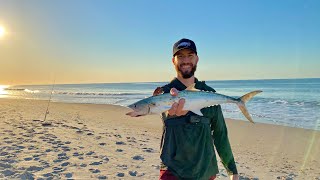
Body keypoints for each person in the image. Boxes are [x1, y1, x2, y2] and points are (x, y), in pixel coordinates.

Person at [153, 38, 239, 180]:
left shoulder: (209, 93)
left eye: (190, 55)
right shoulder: (164, 92)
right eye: (180, 56)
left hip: (206, 171)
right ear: (173, 61)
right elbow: (164, 113)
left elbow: (220, 133)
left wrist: (232, 170)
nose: (186, 60)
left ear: (197, 59)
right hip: (173, 171)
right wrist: (172, 113)